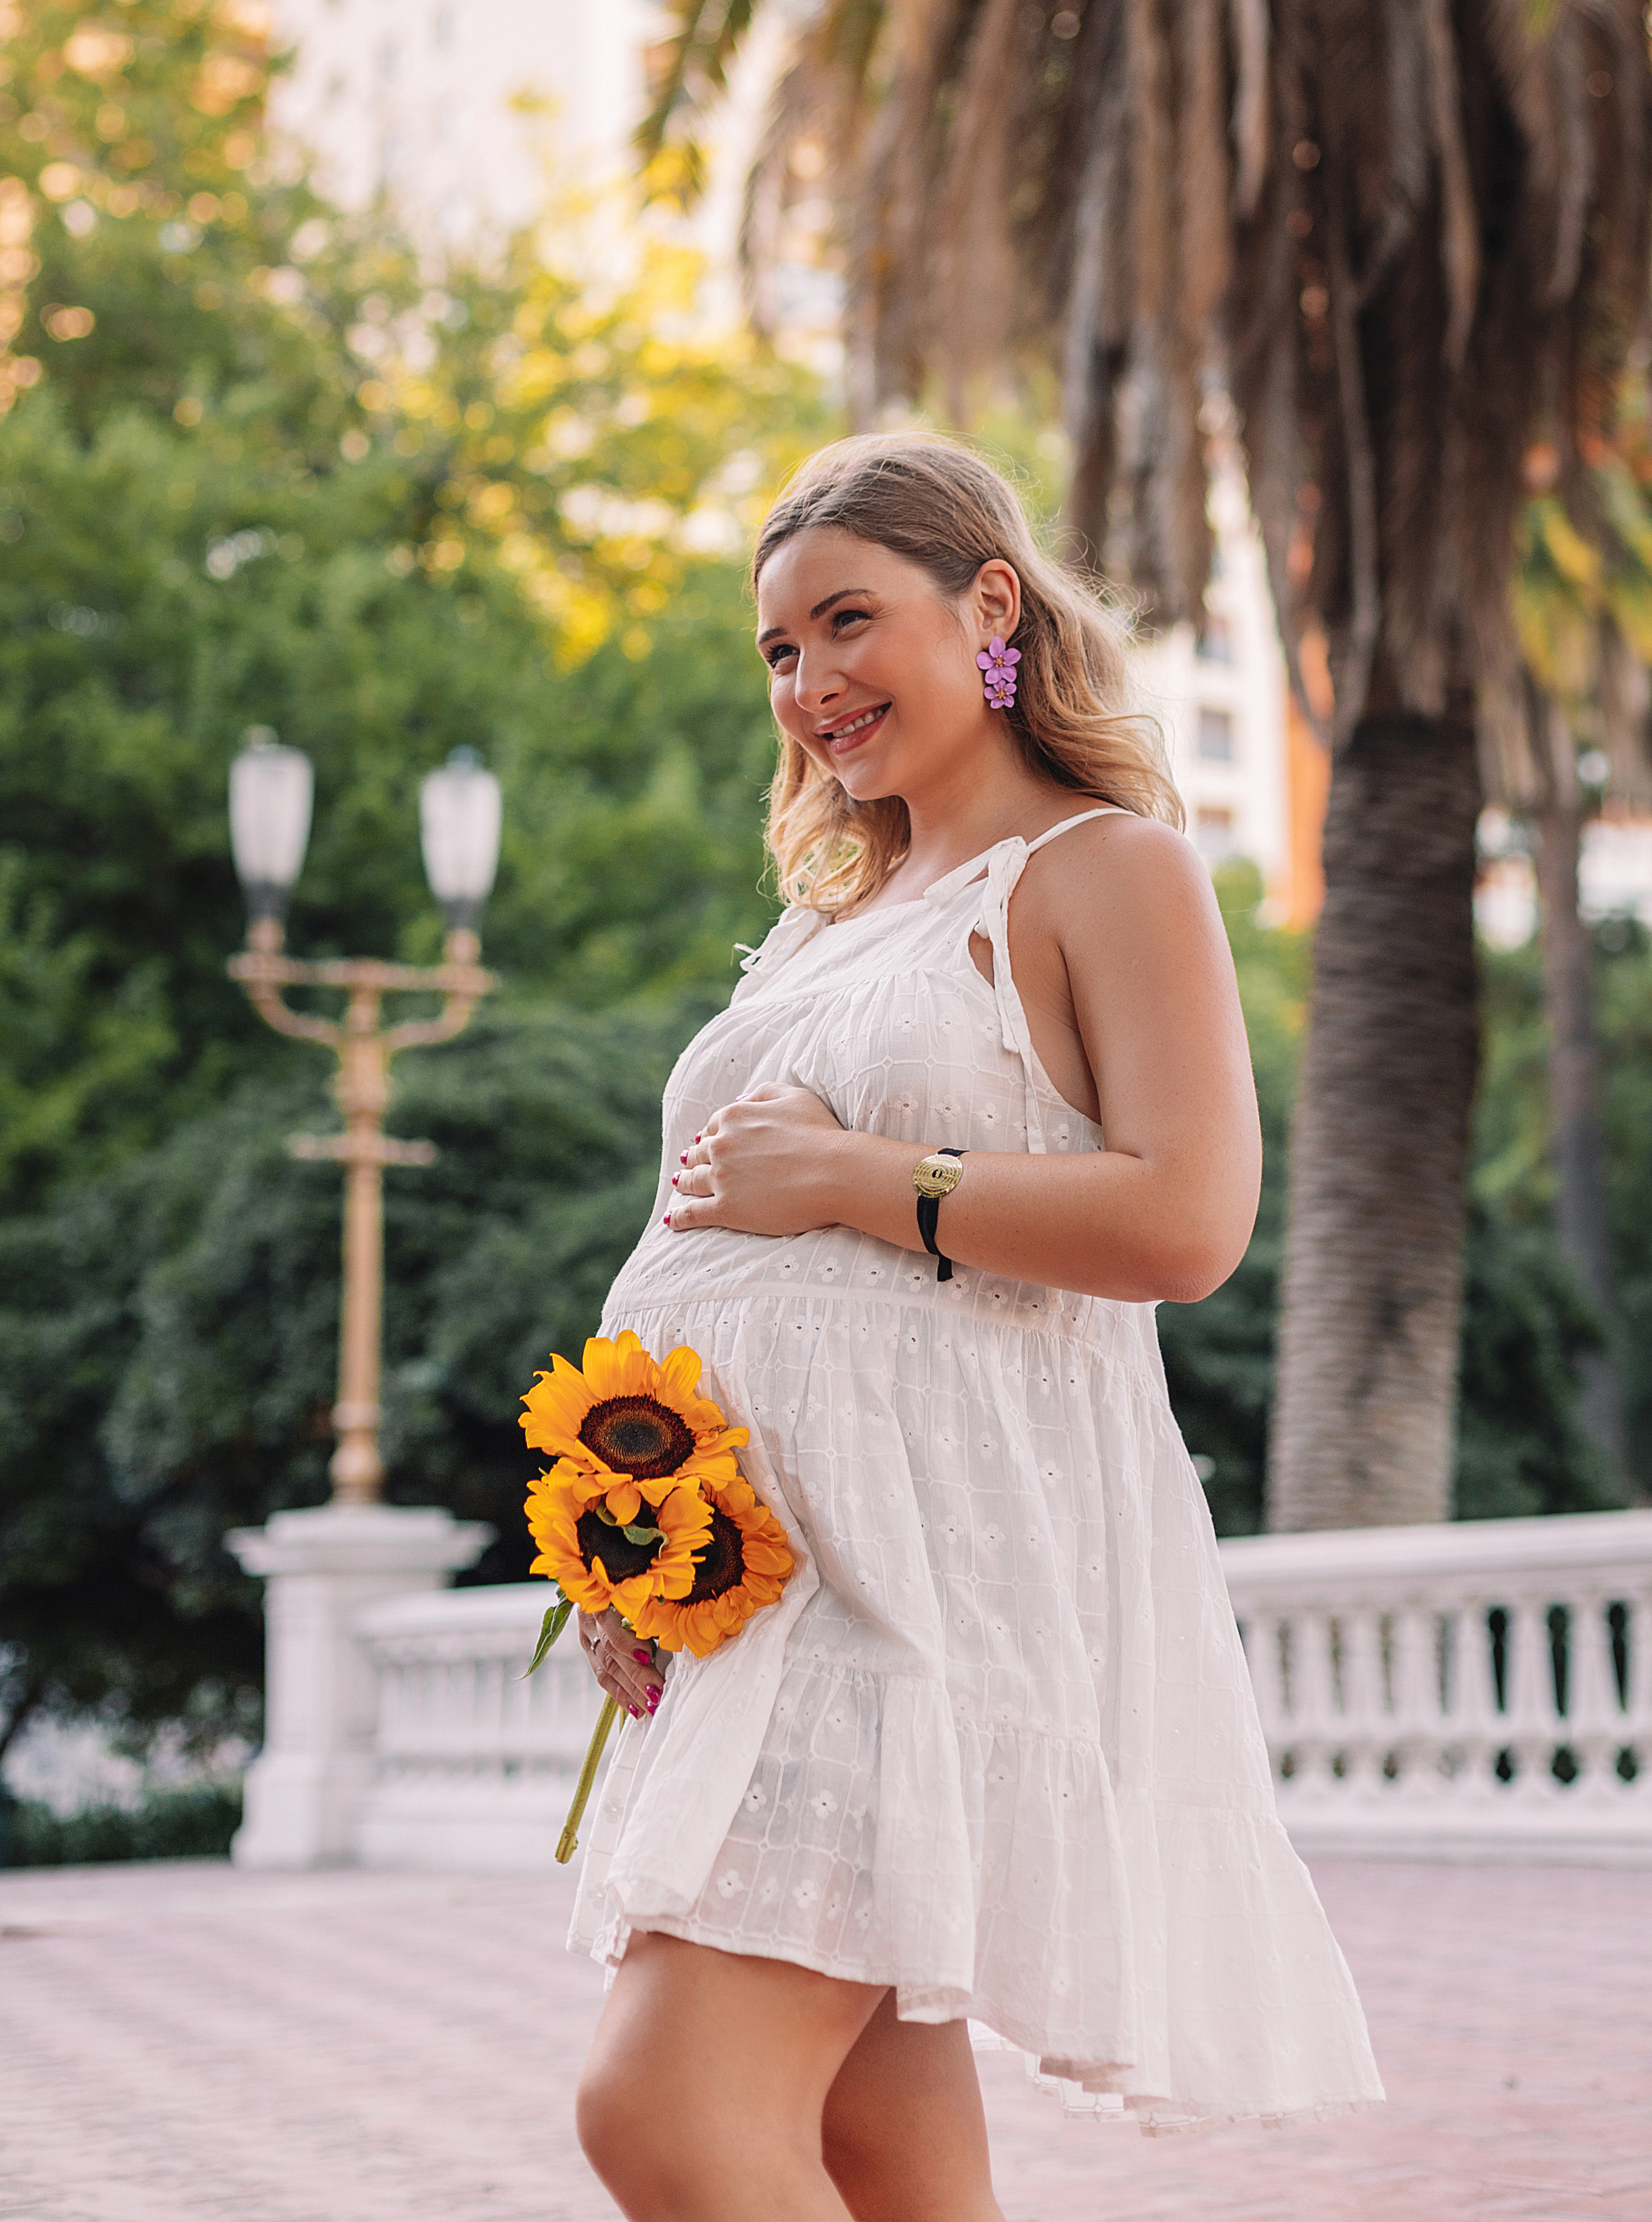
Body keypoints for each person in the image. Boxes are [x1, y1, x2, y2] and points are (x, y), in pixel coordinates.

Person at [568, 432, 1381, 2221]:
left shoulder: (1107, 873)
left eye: (848, 621)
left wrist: (861, 1174)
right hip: (771, 1594)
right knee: (885, 2155)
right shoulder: (818, 929)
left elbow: (1188, 1219)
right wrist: (633, 1557)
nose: (810, 685)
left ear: (989, 604)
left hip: (924, 1603)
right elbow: (717, 1249)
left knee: (668, 2114)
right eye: (778, 651)